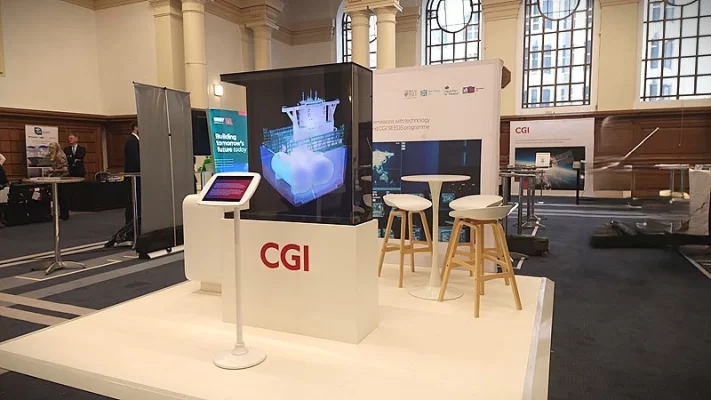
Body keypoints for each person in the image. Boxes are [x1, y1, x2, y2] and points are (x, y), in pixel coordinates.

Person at [48, 142, 70, 220]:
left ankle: (65, 215)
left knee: (63, 198)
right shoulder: (52, 155)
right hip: (56, 178)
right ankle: (61, 214)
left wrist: (54, 170)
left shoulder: (61, 156)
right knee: (59, 198)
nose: (50, 150)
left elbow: (65, 169)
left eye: (52, 148)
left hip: (63, 178)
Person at [124, 121, 141, 226]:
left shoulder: (135, 140)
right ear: (136, 127)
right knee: (133, 201)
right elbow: (134, 161)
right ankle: (131, 225)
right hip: (134, 176)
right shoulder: (132, 141)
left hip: (137, 176)